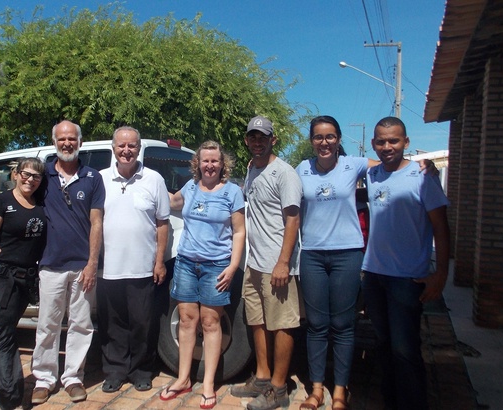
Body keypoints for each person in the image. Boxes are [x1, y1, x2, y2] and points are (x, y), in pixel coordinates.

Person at [362, 116, 450, 410]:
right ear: (374, 144)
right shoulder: (372, 176)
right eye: (381, 141)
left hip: (407, 279)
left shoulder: (423, 176)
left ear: (406, 143)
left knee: (405, 350)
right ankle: (391, 400)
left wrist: (441, 273)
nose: (387, 147)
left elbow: (441, 227)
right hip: (374, 275)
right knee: (384, 344)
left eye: (394, 141)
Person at [295, 115, 375, 410]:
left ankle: (340, 390)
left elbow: (391, 166)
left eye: (330, 136)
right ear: (311, 141)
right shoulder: (302, 169)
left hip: (348, 254)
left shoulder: (354, 165)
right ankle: (316, 389)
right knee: (316, 325)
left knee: (343, 324)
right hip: (313, 255)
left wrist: (420, 169)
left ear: (339, 139)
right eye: (318, 137)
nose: (324, 142)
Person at [160, 140, 245, 409]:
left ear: (223, 165)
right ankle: (183, 378)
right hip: (186, 263)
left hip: (217, 265)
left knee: (210, 322)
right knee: (186, 320)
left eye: (214, 161)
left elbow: (240, 231)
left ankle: (208, 383)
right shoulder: (190, 188)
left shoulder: (232, 192)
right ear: (198, 164)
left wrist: (232, 267)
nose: (210, 165)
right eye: (205, 161)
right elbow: (169, 201)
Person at [31, 120, 105, 405]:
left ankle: (73, 377)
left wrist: (92, 264)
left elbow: (96, 222)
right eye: (61, 139)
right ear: (54, 142)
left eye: (71, 139)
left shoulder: (92, 177)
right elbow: (20, 202)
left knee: (81, 325)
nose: (67, 143)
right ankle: (44, 378)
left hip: (81, 266)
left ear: (80, 142)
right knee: (47, 325)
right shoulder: (42, 175)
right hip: (50, 264)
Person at [231, 116, 303, 410]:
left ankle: (279, 387)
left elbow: (293, 218)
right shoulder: (251, 170)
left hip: (278, 264)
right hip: (255, 263)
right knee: (258, 321)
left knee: (282, 325)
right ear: (247, 141)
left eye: (263, 137)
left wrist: (284, 262)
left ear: (274, 140)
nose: (257, 142)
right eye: (252, 137)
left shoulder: (284, 173)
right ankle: (262, 377)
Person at [98, 126, 170, 393]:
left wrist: (159, 261)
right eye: (121, 146)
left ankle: (141, 370)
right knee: (112, 323)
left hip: (142, 267)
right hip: (109, 268)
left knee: (143, 323)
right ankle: (115, 370)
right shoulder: (100, 179)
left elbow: (163, 223)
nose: (126, 150)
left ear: (139, 148)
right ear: (113, 148)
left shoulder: (154, 179)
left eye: (132, 146)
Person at [0, 157, 47, 410]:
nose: (30, 180)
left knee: (6, 330)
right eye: (26, 174)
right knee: (4, 333)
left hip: (27, 280)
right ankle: (10, 396)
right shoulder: (2, 201)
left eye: (36, 176)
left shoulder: (41, 203)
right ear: (15, 174)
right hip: (2, 277)